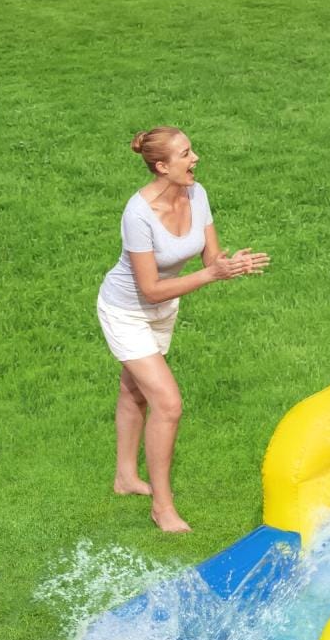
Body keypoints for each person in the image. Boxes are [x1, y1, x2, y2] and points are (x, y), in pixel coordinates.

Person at [96, 127, 269, 533]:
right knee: (168, 404)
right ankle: (163, 507)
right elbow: (150, 288)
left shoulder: (196, 193)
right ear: (162, 166)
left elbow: (211, 256)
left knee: (134, 390)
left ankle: (125, 477)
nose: (195, 159)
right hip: (126, 311)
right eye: (186, 154)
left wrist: (230, 265)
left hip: (163, 309)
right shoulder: (138, 214)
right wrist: (210, 275)